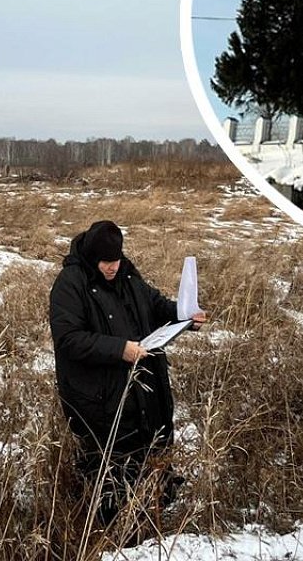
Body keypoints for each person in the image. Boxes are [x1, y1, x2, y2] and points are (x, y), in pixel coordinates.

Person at [48, 220, 206, 529]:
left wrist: (184, 315)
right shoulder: (70, 283)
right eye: (105, 262)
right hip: (100, 395)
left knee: (151, 448)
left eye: (116, 260)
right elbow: (68, 339)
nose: (111, 267)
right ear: (92, 257)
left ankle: (152, 508)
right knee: (112, 463)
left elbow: (154, 304)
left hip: (143, 386)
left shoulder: (128, 274)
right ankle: (111, 526)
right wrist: (120, 348)